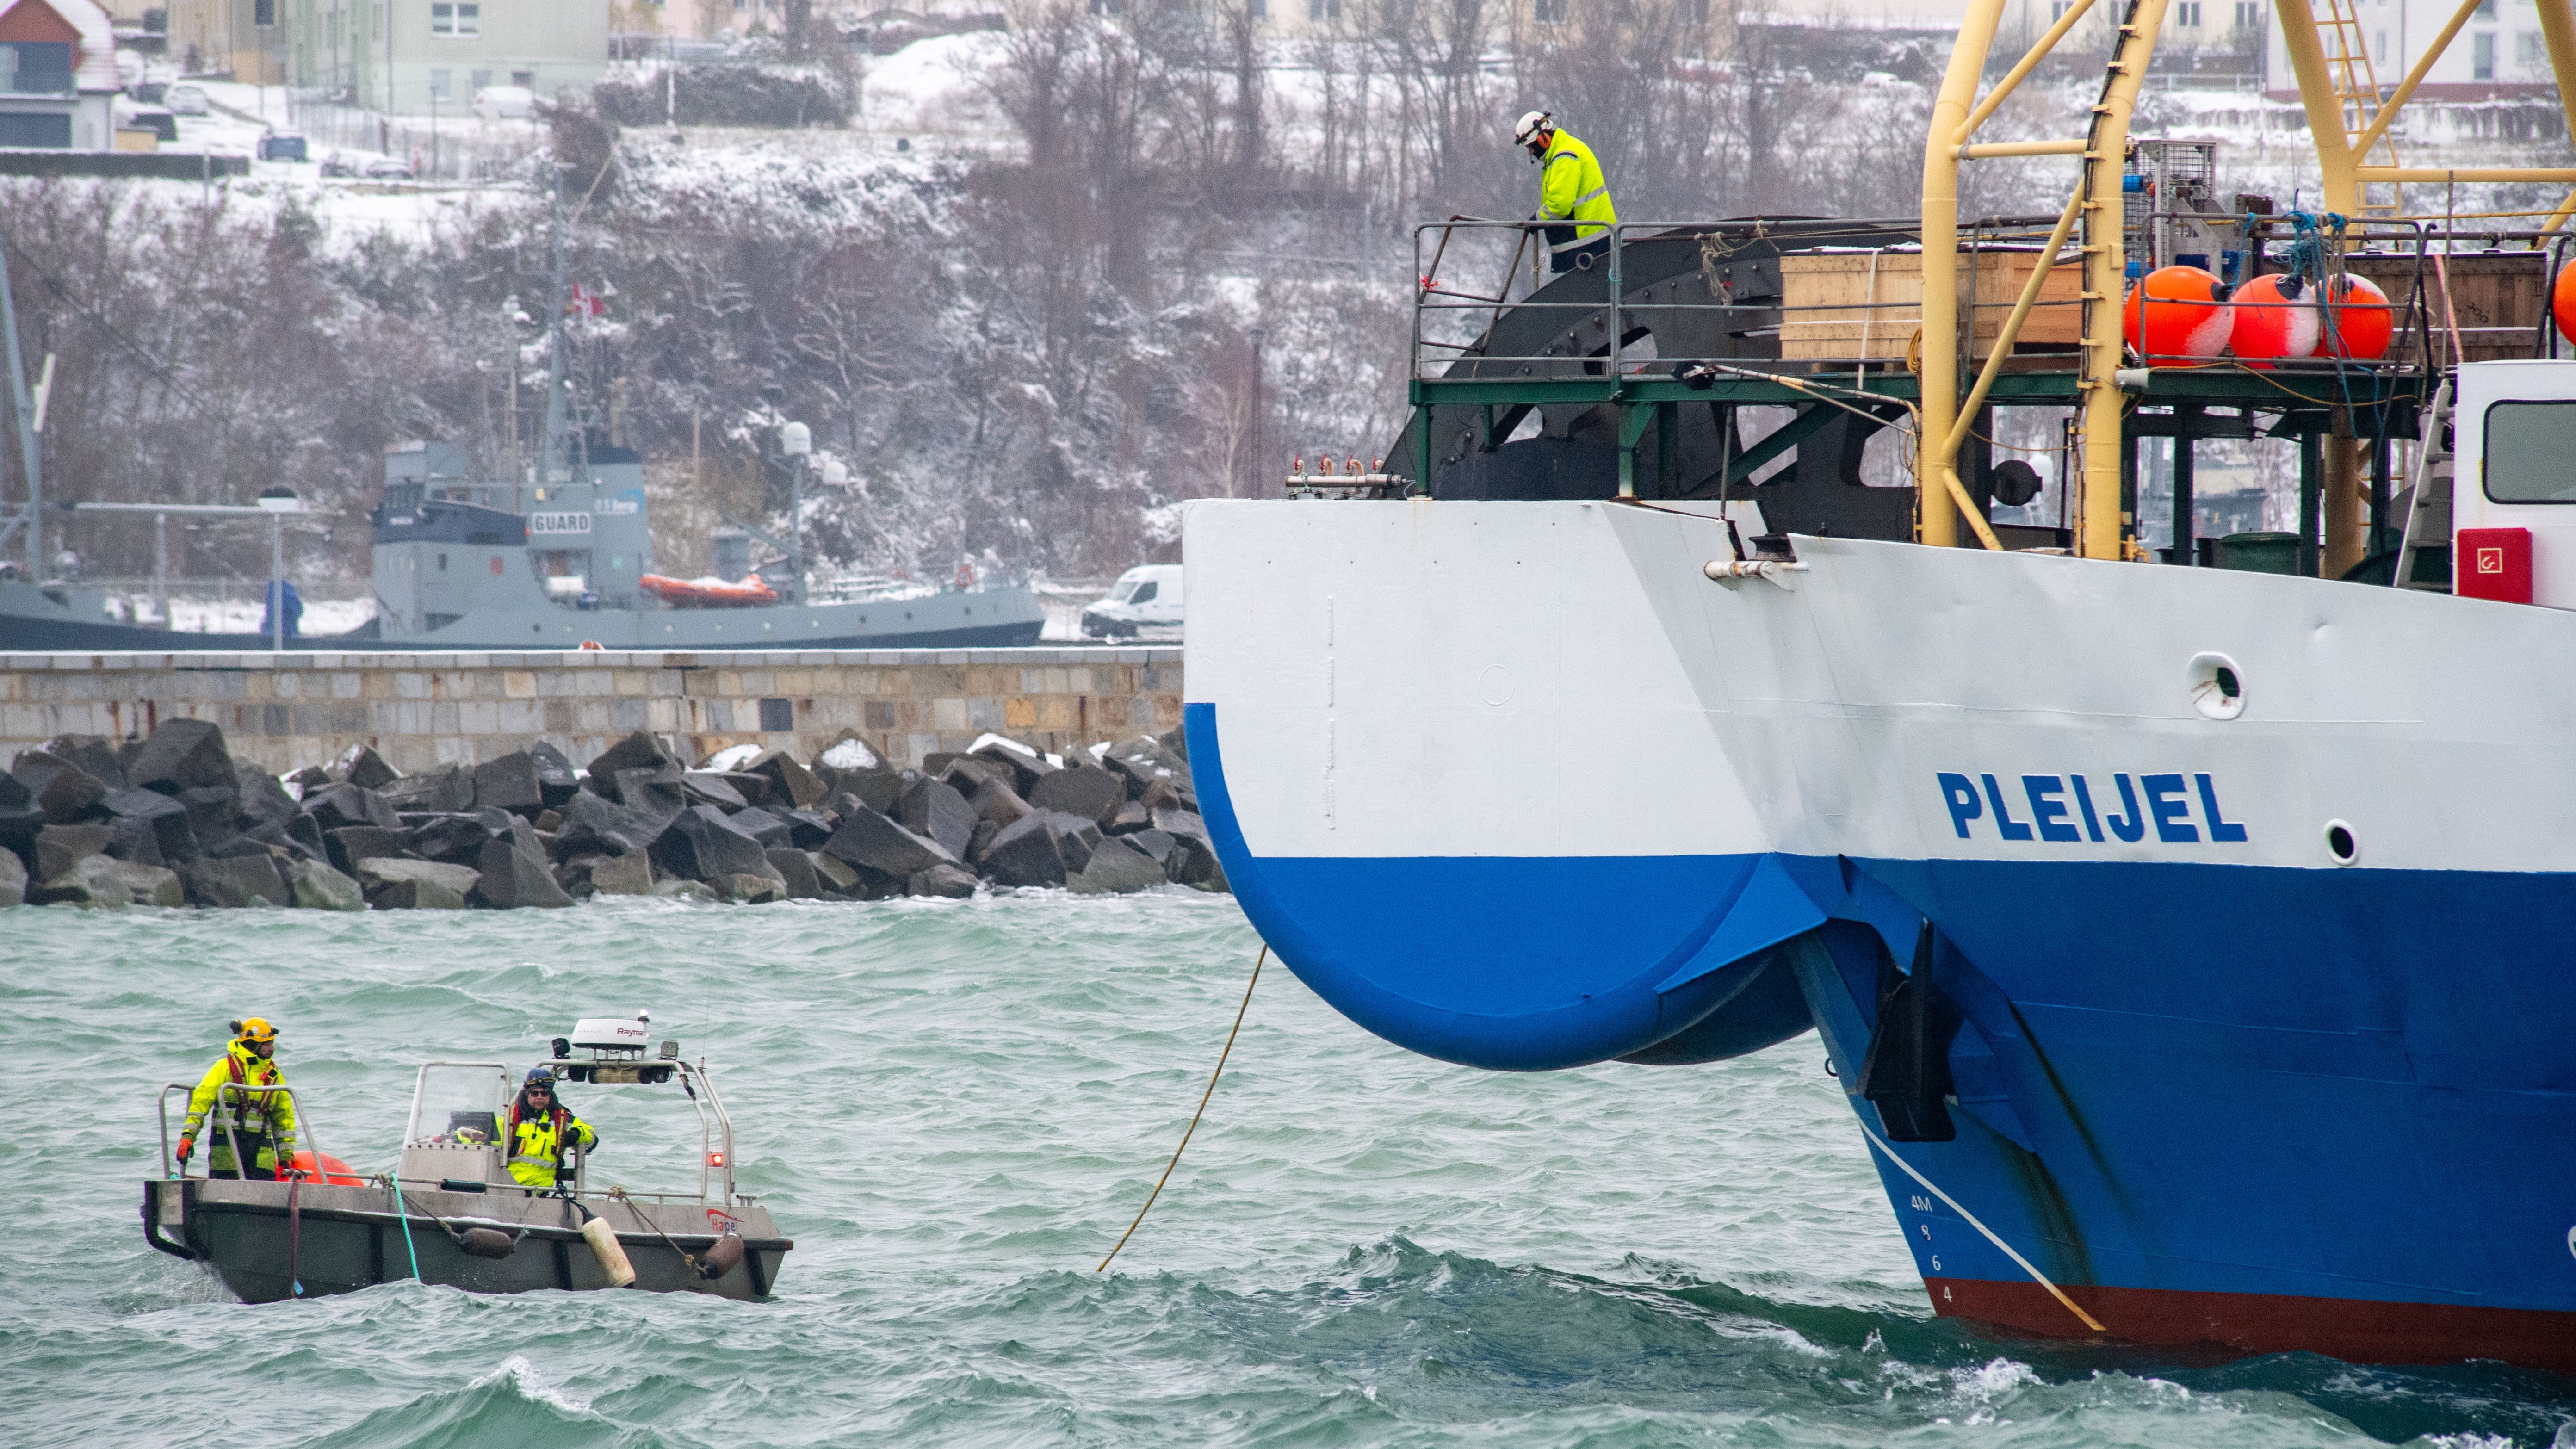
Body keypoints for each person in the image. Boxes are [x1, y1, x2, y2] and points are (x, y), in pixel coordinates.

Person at [178, 1018, 297, 1181]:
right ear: (252, 1044)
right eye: (267, 1044)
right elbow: (201, 1101)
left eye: (272, 1043)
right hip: (227, 1149)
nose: (272, 1048)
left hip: (261, 1153)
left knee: (263, 1192)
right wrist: (188, 1137)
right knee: (223, 1188)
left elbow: (284, 1117)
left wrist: (286, 1154)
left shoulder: (274, 1076)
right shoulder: (224, 1068)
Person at [1513, 111, 1618, 274]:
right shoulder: (1564, 151)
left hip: (1587, 243)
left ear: (1544, 138)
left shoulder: (1565, 156)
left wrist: (1535, 221)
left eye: (1531, 146)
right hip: (1590, 241)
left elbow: (1559, 206)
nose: (1531, 152)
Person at [506, 1067, 598, 1192]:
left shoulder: (562, 1119)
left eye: (544, 1094)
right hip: (508, 1188)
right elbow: (490, 1140)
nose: (539, 1097)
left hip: (542, 1191)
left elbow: (592, 1139)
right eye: (534, 1093)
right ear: (527, 1094)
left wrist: (577, 1134)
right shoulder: (510, 1118)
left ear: (550, 1095)